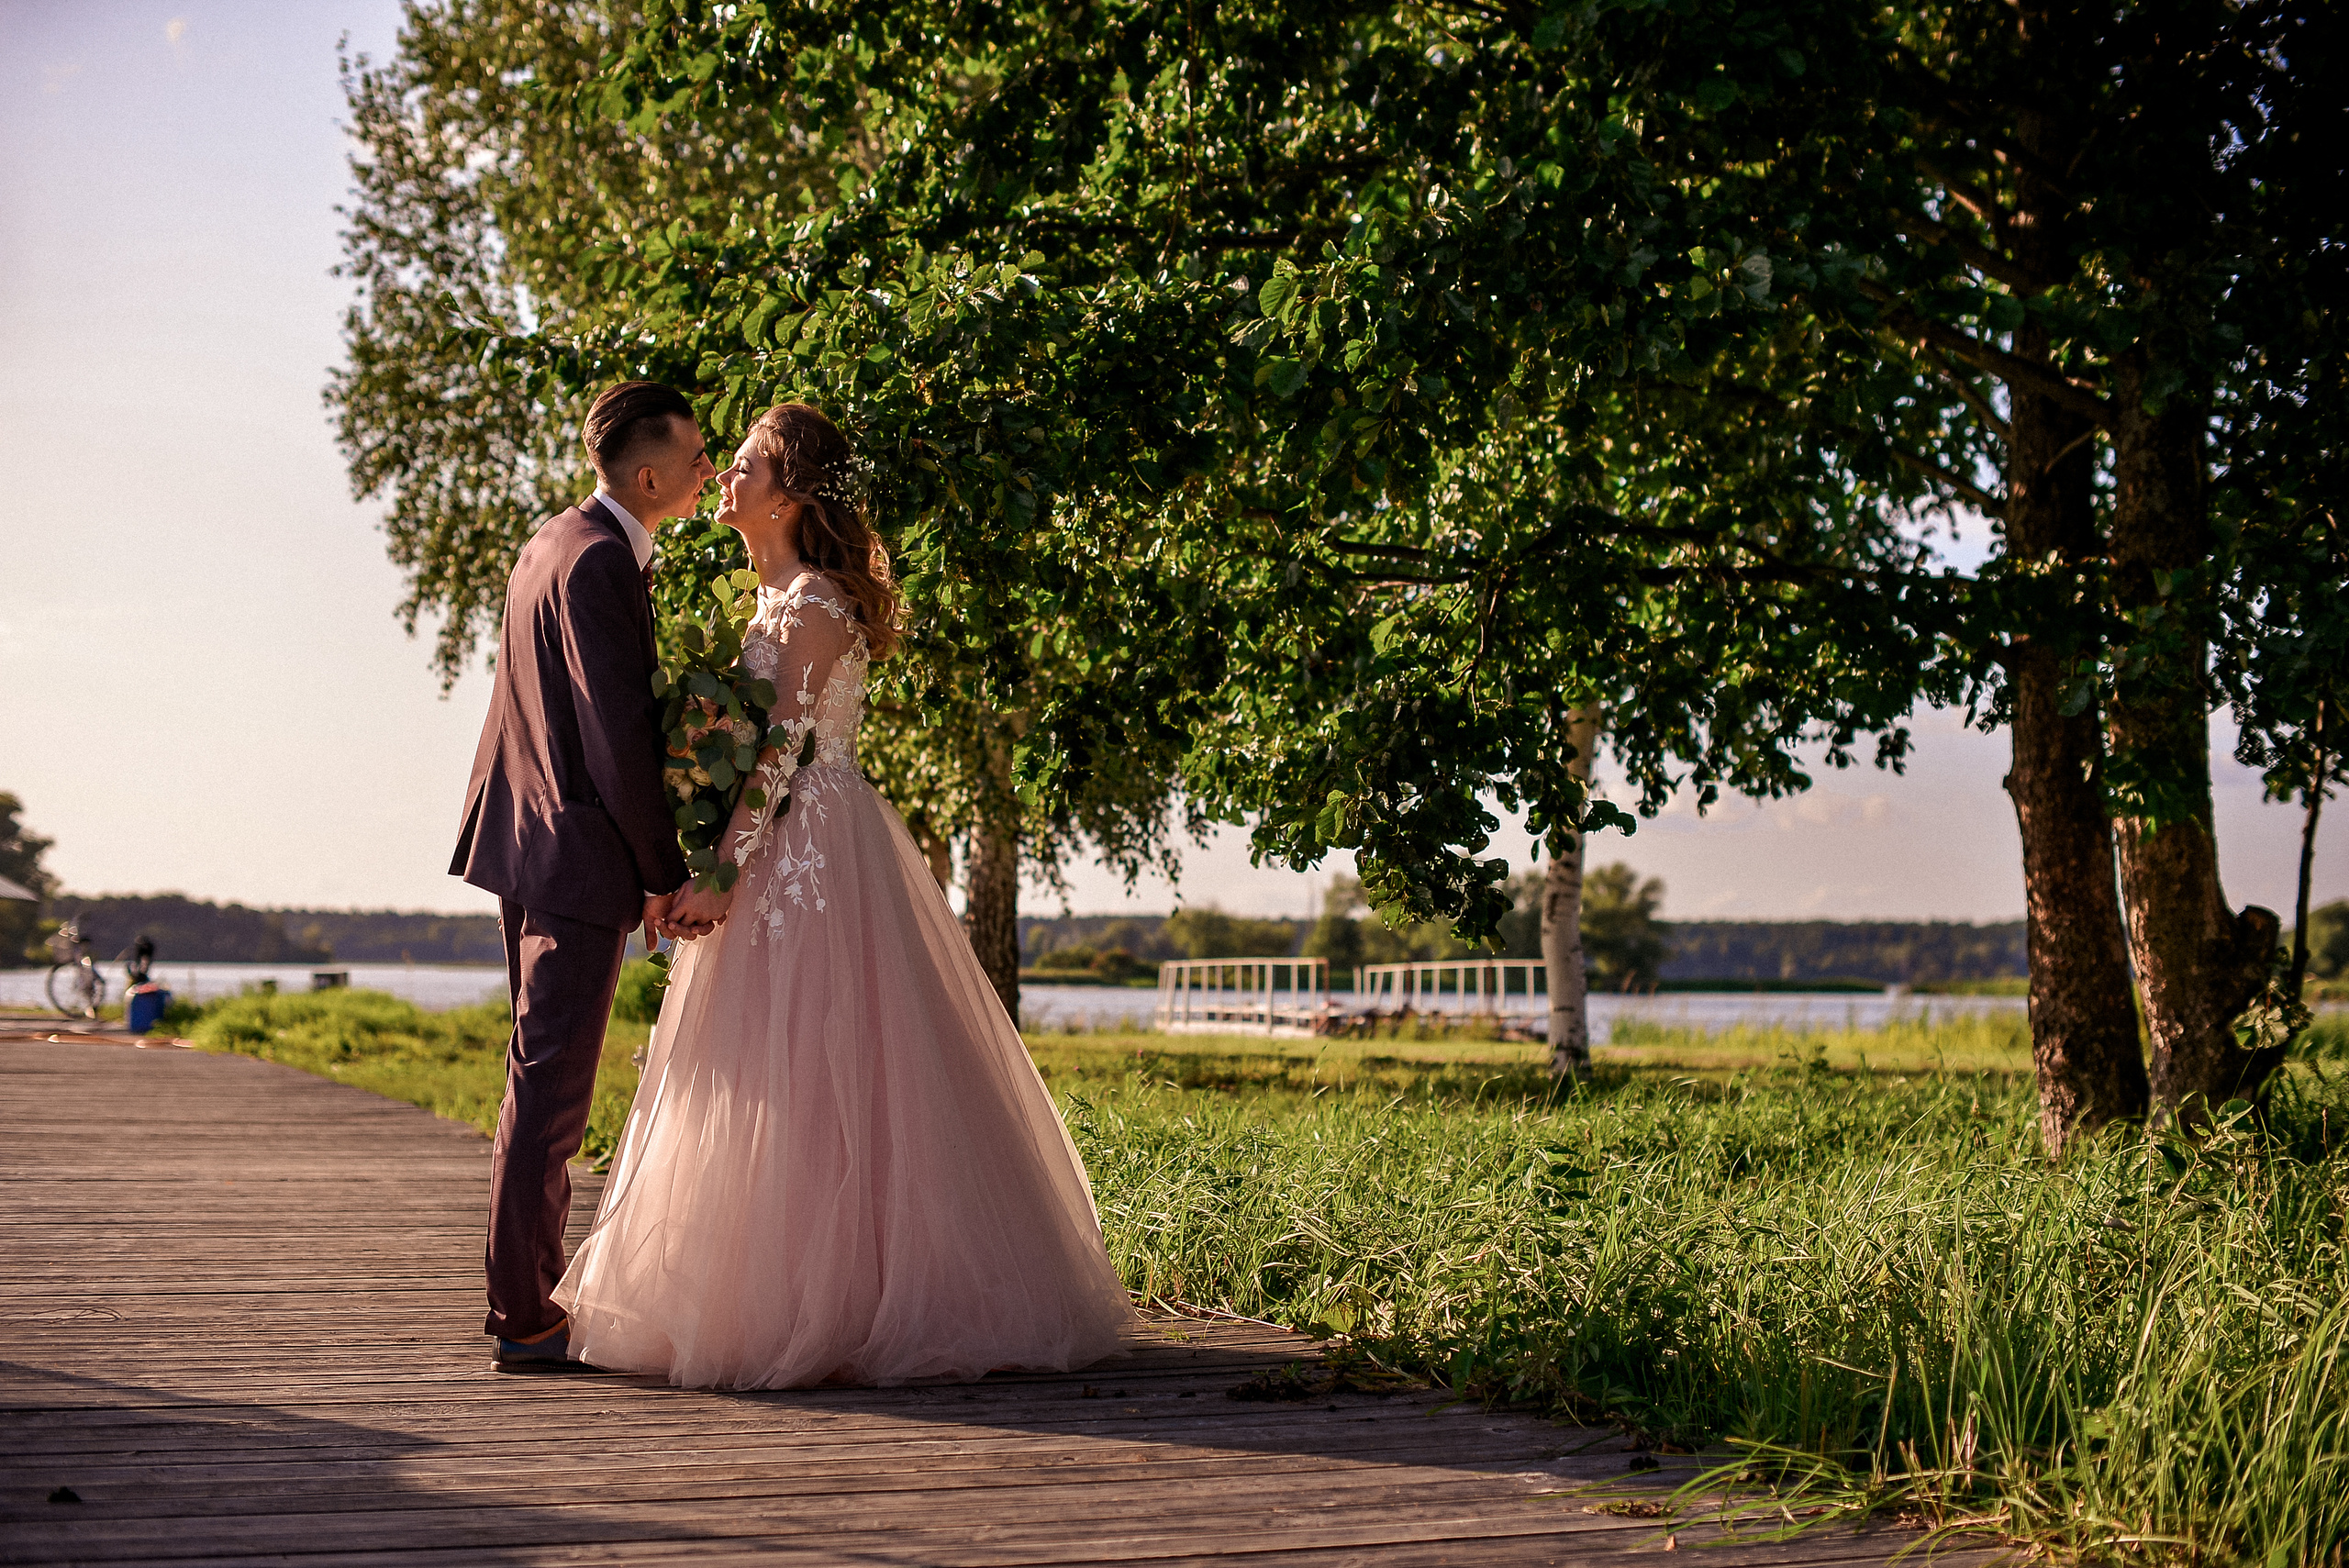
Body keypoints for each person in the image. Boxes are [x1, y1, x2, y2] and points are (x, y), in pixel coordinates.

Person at [554, 404, 1137, 1388]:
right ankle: (775, 1285)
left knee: (834, 1054)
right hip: (776, 836)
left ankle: (855, 1301)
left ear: (787, 491)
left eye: (740, 465)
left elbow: (783, 749)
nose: (720, 478)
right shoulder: (771, 598)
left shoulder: (814, 601)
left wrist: (723, 872)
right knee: (771, 1063)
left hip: (814, 849)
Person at [450, 381, 716, 1372]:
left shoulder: (550, 541)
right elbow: (613, 737)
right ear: (647, 475)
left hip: (522, 837)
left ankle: (527, 1295)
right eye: (695, 456)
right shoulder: (602, 562)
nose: (707, 468)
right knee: (553, 1091)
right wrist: (664, 869)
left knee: (537, 1076)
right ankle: (524, 1313)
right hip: (573, 855)